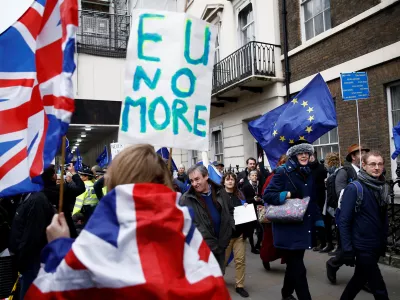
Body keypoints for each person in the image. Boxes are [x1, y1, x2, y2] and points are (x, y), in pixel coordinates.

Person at [25, 144, 230, 299]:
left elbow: (48, 292)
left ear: (114, 180)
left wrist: (58, 247)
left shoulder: (99, 235)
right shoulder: (187, 234)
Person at [263, 141, 323, 300]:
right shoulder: (283, 172)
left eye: (306, 153)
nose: (304, 155)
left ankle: (286, 293)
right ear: (294, 155)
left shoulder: (308, 172)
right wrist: (287, 195)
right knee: (299, 268)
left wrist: (318, 221)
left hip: (304, 225)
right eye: (300, 153)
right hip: (287, 228)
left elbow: (313, 199)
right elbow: (268, 195)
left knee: (294, 265)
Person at [339, 151, 389, 300]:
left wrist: (383, 241)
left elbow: (382, 218)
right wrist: (347, 248)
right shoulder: (354, 188)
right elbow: (344, 220)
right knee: (378, 286)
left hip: (375, 244)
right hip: (362, 245)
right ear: (364, 165)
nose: (377, 167)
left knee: (359, 279)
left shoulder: (383, 187)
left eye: (380, 164)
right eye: (372, 164)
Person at [9, 170, 57, 299]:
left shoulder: (36, 200)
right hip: (28, 260)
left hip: (31, 261)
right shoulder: (28, 196)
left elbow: (32, 236)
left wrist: (21, 261)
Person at [326, 144, 370, 283]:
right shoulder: (344, 172)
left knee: (363, 250)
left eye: (365, 152)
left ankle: (363, 280)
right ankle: (332, 264)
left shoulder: (367, 171)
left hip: (364, 217)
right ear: (353, 156)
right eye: (361, 152)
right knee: (347, 250)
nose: (364, 155)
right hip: (348, 216)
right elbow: (341, 193)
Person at [180, 164, 235, 273]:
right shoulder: (186, 199)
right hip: (202, 250)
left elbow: (229, 210)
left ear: (206, 176)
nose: (194, 184)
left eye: (197, 179)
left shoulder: (221, 191)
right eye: (191, 181)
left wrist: (230, 229)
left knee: (219, 275)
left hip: (221, 245)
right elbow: (184, 226)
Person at [222, 172, 251, 298]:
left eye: (232, 179)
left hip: (239, 234)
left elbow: (245, 213)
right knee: (222, 261)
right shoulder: (219, 196)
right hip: (226, 235)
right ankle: (217, 281)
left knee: (240, 260)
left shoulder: (239, 195)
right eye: (227, 179)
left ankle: (239, 285)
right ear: (223, 182)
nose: (230, 181)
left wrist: (245, 206)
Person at [42, 163, 85, 238]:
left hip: (46, 228)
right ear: (53, 177)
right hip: (65, 224)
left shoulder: (38, 193)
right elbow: (81, 188)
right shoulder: (62, 189)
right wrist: (73, 172)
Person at [260, 154, 288, 271]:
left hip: (287, 213)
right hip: (273, 213)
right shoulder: (273, 176)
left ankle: (290, 261)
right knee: (270, 240)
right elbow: (265, 194)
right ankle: (265, 258)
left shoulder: (292, 176)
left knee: (287, 239)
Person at [309, 152, 329, 252]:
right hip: (310, 198)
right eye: (310, 156)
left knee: (320, 221)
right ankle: (314, 242)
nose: (311, 158)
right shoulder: (307, 169)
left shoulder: (321, 168)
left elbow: (324, 182)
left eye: (312, 156)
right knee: (312, 221)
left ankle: (323, 242)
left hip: (320, 198)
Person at [241, 170, 263, 254]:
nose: (254, 177)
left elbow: (261, 196)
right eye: (253, 175)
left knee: (260, 229)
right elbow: (243, 199)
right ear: (249, 177)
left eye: (255, 175)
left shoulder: (259, 185)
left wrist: (260, 199)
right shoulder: (246, 186)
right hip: (250, 210)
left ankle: (257, 244)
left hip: (258, 209)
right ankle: (253, 247)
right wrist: (253, 199)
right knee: (250, 230)